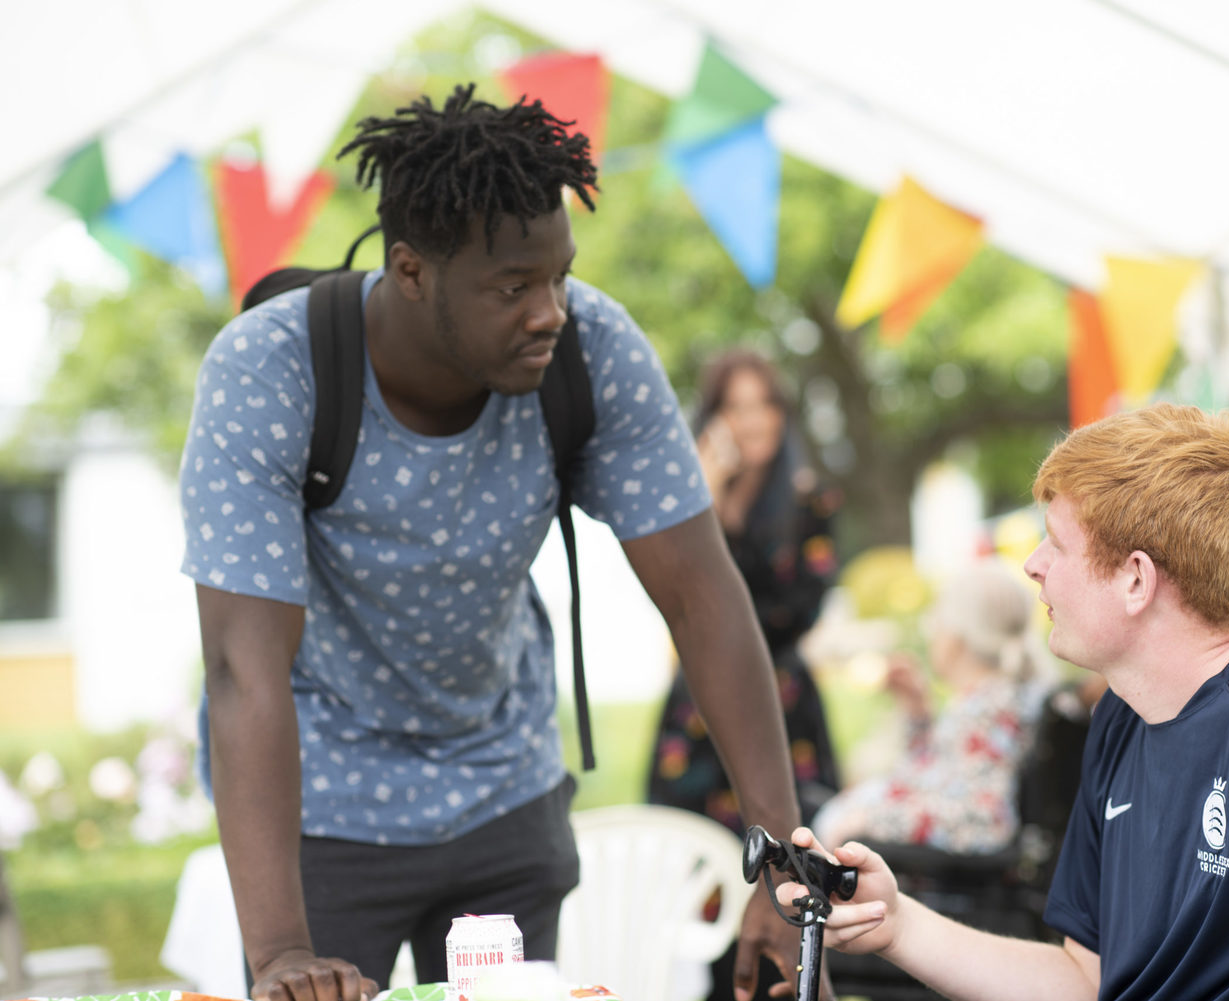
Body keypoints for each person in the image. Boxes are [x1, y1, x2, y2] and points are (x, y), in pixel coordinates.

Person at [179, 84, 809, 1001]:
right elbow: (243, 667)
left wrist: (782, 866)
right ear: (410, 272)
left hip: (503, 793)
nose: (551, 309)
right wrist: (279, 950)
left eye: (557, 275)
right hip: (318, 810)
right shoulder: (271, 372)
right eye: (513, 287)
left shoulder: (592, 351)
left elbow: (702, 598)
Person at [777, 403, 1229, 1001]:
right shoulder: (1119, 717)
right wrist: (899, 925)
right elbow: (1084, 979)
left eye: (1055, 543)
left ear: (1135, 580)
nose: (1032, 565)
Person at [645, 349, 841, 1001]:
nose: (753, 420)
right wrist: (707, 501)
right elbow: (673, 588)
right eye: (736, 406)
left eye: (765, 404)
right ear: (715, 417)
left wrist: (727, 523)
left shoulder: (808, 495)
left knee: (786, 866)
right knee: (695, 877)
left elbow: (795, 609)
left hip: (781, 703)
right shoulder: (691, 490)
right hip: (697, 711)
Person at [810, 557, 1053, 854]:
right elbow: (942, 777)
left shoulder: (989, 709)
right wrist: (917, 712)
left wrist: (870, 820)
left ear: (958, 635)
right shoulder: (995, 697)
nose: (930, 632)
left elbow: (983, 819)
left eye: (936, 620)